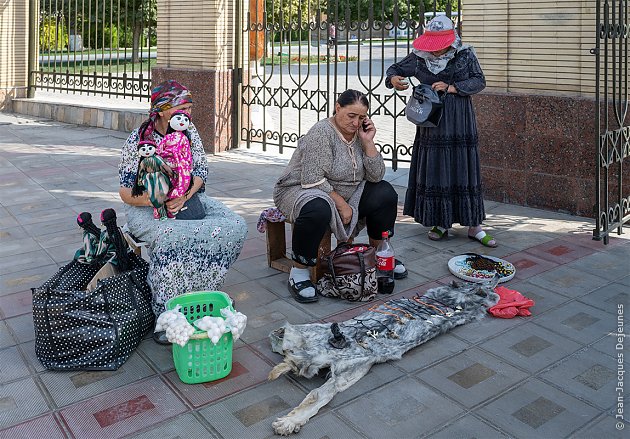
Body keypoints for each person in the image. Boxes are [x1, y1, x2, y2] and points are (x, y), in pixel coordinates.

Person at [118, 80, 248, 342]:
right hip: (146, 207)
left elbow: (200, 171)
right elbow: (124, 192)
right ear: (164, 109)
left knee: (235, 226)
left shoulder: (189, 131)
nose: (188, 114)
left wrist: (185, 195)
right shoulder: (139, 139)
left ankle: (204, 292)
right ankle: (168, 310)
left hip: (187, 198)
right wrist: (160, 200)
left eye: (189, 108)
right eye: (183, 107)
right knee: (172, 234)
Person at [273, 89, 407, 303]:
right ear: (337, 108)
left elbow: (376, 175)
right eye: (351, 116)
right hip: (301, 189)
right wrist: (343, 205)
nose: (356, 123)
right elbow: (312, 178)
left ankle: (379, 254)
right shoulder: (321, 132)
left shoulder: (359, 135)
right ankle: (299, 272)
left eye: (361, 117)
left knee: (385, 193)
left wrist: (368, 142)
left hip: (347, 192)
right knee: (318, 209)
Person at [386, 16, 496, 247]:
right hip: (431, 123)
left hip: (459, 121)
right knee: (437, 168)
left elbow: (479, 81)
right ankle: (440, 221)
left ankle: (474, 225)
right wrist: (393, 78)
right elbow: (396, 69)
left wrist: (453, 88)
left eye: (439, 46)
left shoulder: (465, 54)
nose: (435, 52)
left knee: (463, 167)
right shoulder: (419, 57)